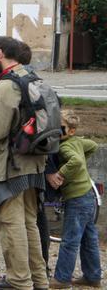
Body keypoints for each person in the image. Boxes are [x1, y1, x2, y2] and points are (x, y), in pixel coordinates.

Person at [0, 36, 49, 290]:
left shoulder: (5, 87)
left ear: (0, 54)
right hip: (35, 163)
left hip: (10, 166)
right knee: (29, 222)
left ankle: (19, 281)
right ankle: (39, 280)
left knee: (11, 224)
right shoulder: (34, 78)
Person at [47, 112, 102, 289]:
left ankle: (62, 279)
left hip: (77, 198)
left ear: (70, 131)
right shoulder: (77, 141)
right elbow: (93, 145)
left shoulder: (64, 147)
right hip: (88, 196)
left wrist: (60, 174)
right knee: (89, 238)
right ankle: (93, 276)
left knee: (70, 240)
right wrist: (81, 165)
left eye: (59, 127)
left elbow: (76, 161)